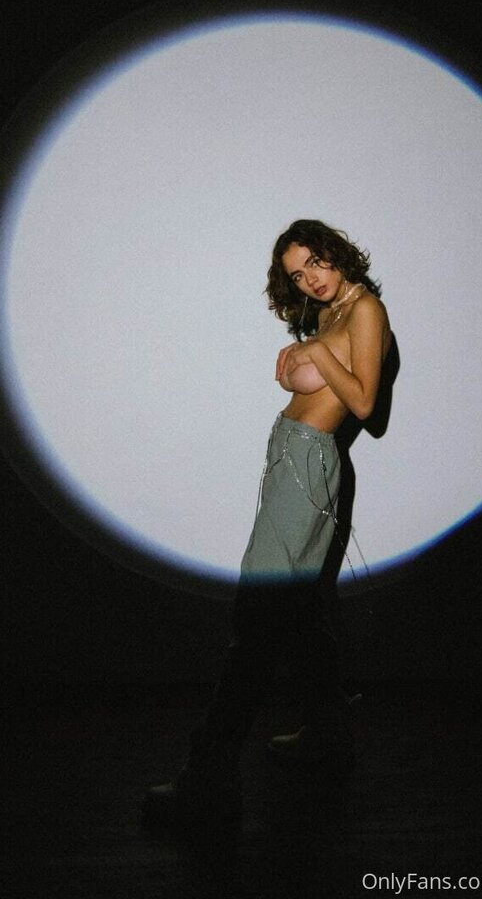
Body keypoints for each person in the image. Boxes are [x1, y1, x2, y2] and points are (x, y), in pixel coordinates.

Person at [143, 219, 391, 828]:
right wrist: (308, 353)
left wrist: (314, 355)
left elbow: (365, 404)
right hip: (290, 459)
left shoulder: (366, 310)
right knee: (300, 614)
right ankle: (328, 738)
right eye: (297, 275)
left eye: (315, 263)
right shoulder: (329, 314)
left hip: (308, 466)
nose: (310, 279)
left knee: (256, 621)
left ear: (336, 253)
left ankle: (208, 778)